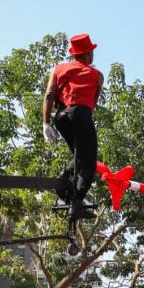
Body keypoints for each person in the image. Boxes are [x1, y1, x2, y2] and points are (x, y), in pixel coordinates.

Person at [42, 33, 104, 221]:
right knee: (89, 163)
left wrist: (46, 123)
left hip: (61, 117)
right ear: (88, 54)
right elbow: (93, 102)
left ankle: (63, 184)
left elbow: (49, 95)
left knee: (79, 155)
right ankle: (76, 203)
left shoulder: (59, 69)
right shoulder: (96, 75)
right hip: (81, 114)